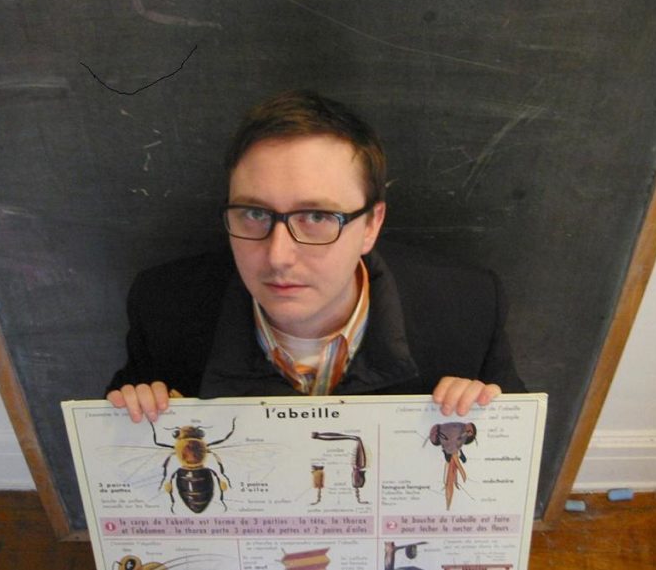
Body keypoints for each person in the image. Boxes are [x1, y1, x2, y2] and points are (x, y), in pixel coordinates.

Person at [106, 90, 526, 423]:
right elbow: (123, 455)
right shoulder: (164, 309)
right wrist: (135, 414)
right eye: (254, 213)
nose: (278, 256)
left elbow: (516, 463)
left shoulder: (467, 309)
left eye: (317, 217)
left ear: (371, 225)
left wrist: (490, 419)